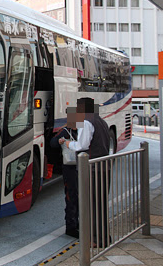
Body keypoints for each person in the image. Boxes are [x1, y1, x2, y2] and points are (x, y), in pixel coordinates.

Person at [64, 97, 110, 248]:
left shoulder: (86, 122)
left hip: (92, 169)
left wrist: (67, 143)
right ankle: (104, 237)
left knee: (91, 205)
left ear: (82, 108)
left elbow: (81, 145)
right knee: (101, 205)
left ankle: (96, 240)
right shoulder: (101, 121)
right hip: (104, 167)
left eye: (78, 107)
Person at [50, 107, 79, 238]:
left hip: (79, 168)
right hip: (70, 168)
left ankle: (77, 223)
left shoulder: (82, 131)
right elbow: (53, 143)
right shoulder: (65, 131)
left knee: (79, 197)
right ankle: (71, 226)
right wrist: (61, 141)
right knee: (71, 196)